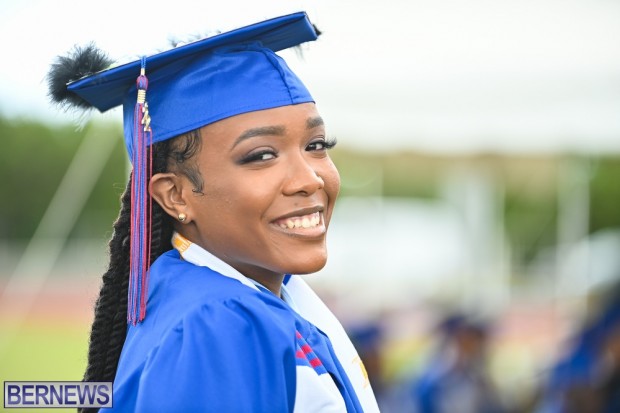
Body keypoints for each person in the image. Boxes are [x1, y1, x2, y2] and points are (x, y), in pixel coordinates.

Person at [47, 12, 379, 412]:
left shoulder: (251, 296)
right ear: (175, 195)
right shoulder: (220, 322)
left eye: (316, 145)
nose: (309, 179)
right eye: (261, 155)